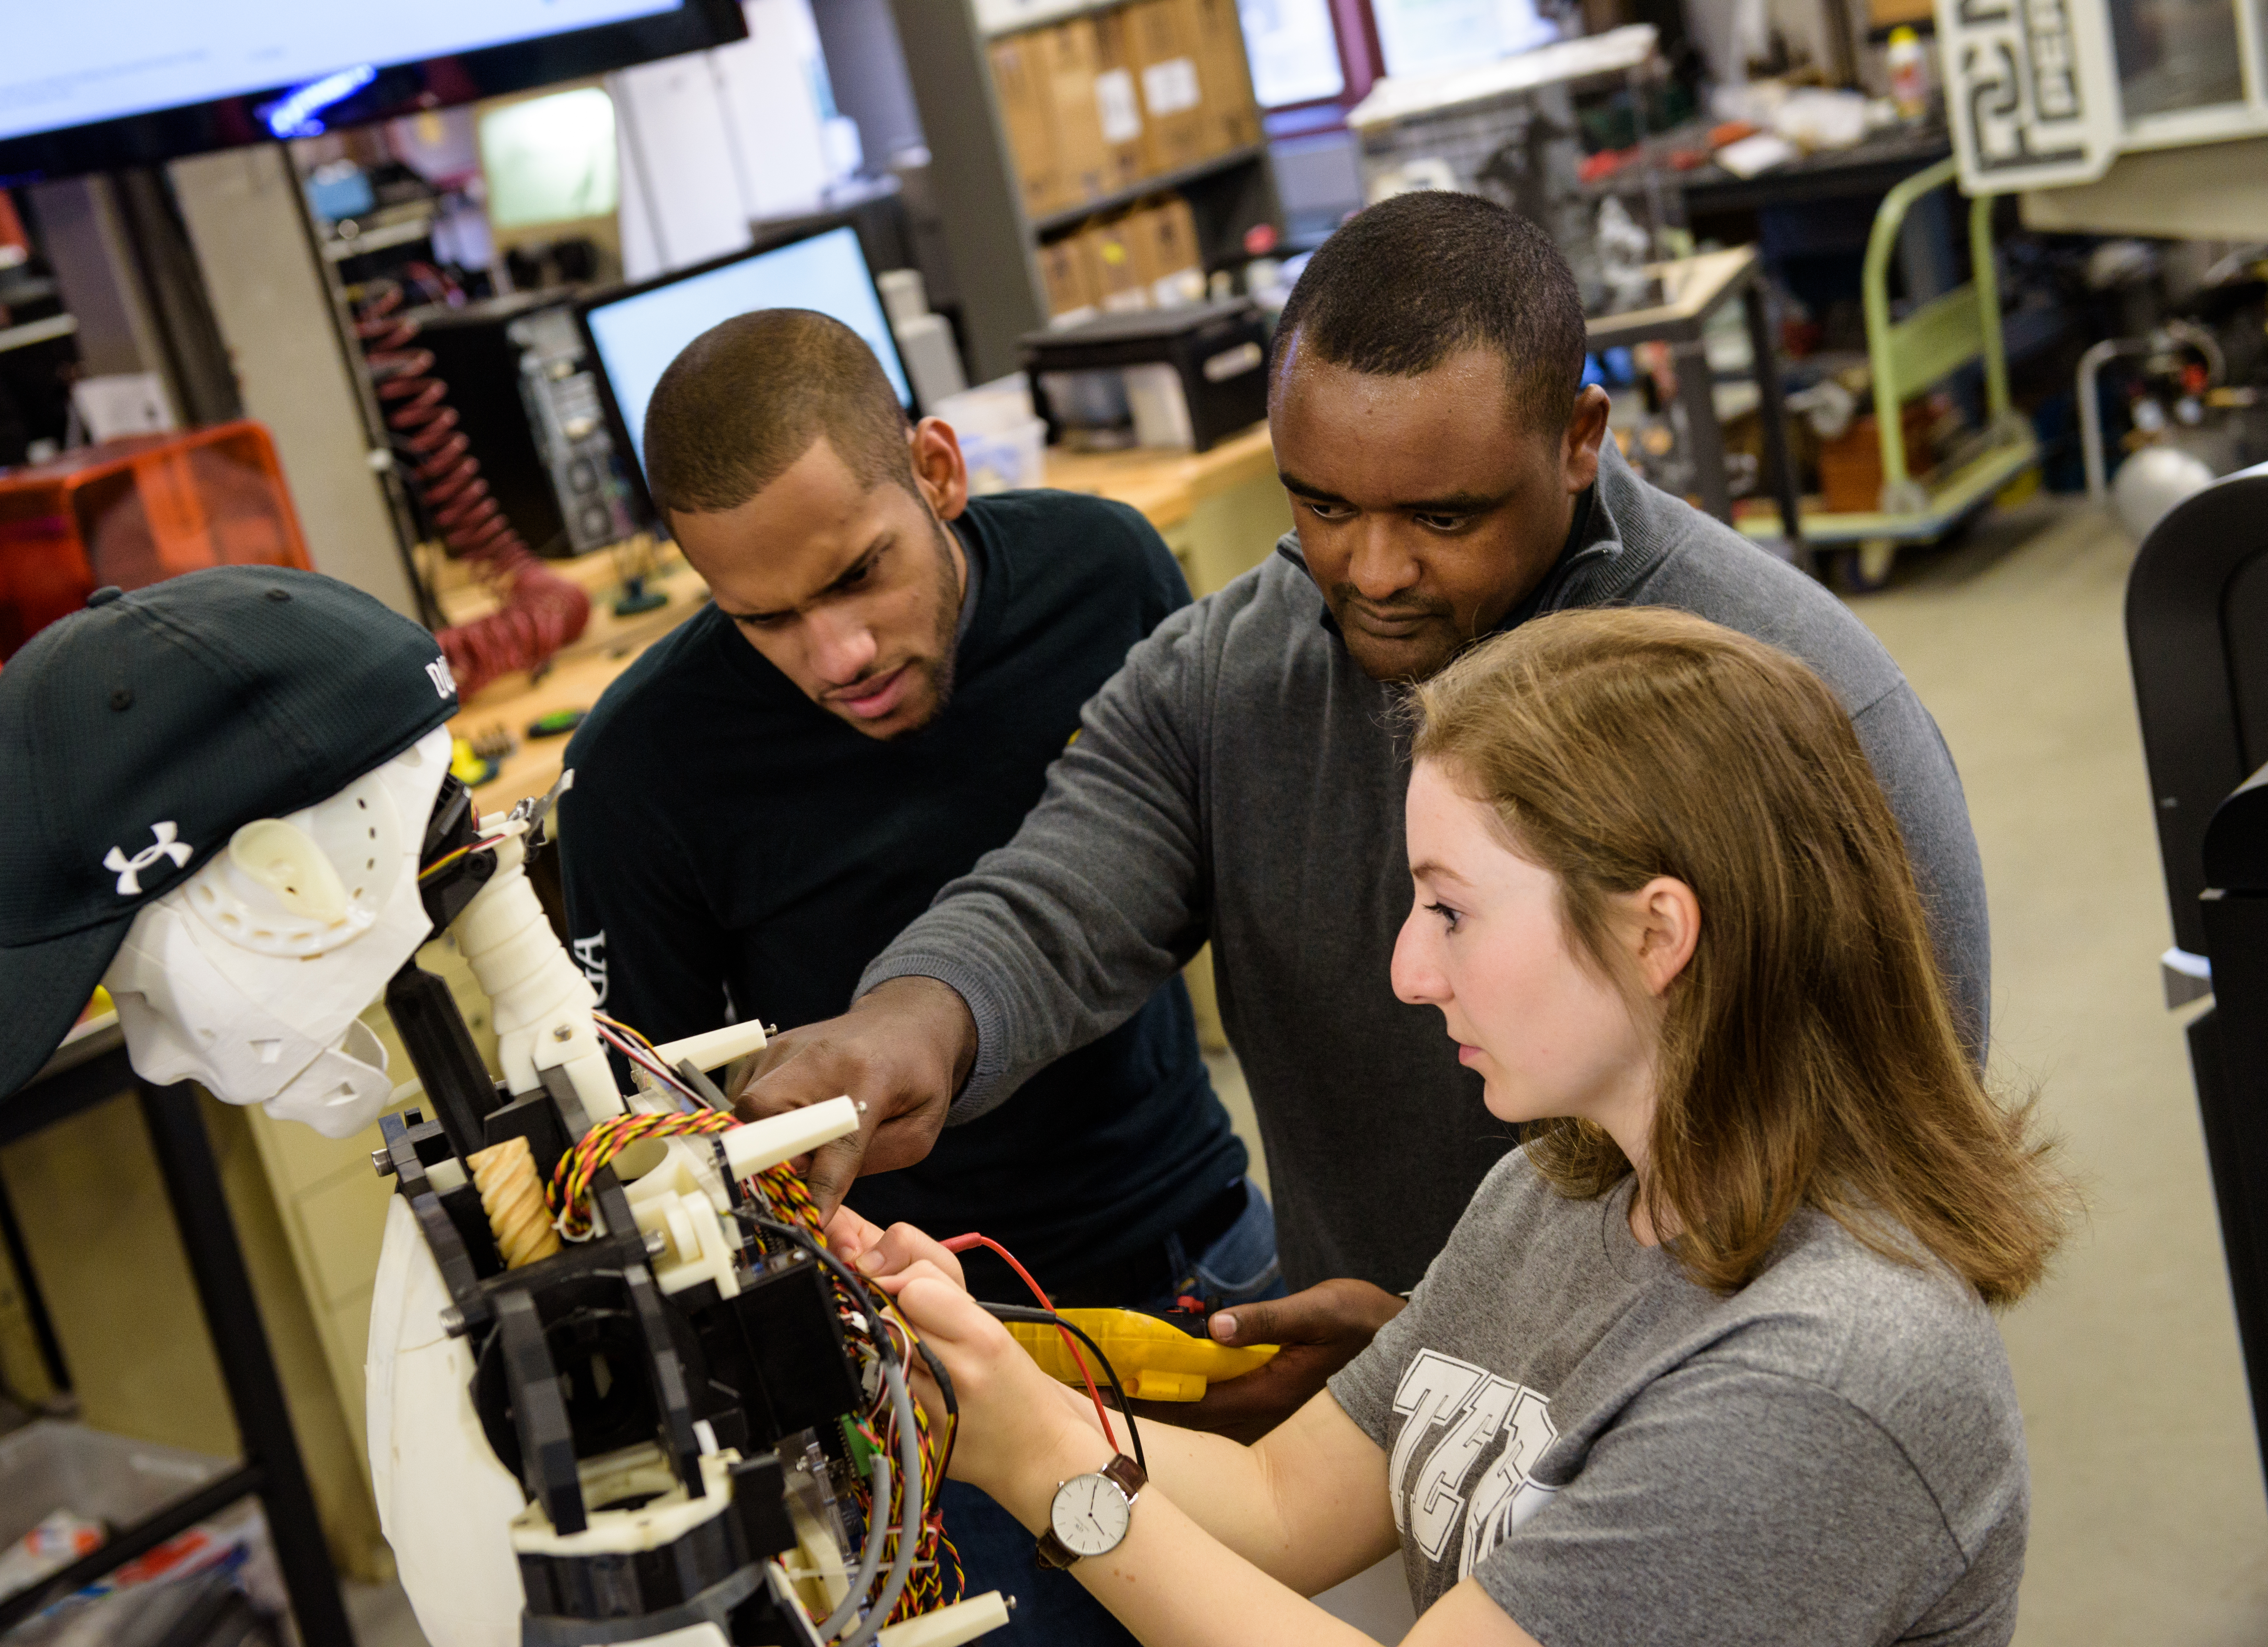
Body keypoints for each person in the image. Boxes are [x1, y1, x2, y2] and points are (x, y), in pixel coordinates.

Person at [737, 191, 1993, 1438]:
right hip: (1396, 1413)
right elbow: (1066, 888)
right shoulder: (1231, 676)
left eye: (1443, 518)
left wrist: (1460, 1348)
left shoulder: (1792, 700)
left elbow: (1892, 1161)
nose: (1374, 571)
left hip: (1703, 1426)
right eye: (1324, 505)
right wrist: (910, 1026)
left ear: (1577, 436)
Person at [837, 608, 2070, 1647]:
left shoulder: (1822, 1379)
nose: (1408, 970)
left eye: (1450, 910)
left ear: (1656, 935)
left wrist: (1051, 1479)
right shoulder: (1562, 1193)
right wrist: (986, 1384)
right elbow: (1281, 1500)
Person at [557, 308, 1274, 1646]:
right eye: (763, 619)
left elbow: (1199, 873)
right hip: (928, 1365)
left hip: (1200, 1262)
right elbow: (656, 1138)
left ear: (938, 471)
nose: (837, 657)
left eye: (859, 576)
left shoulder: (1102, 577)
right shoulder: (645, 772)